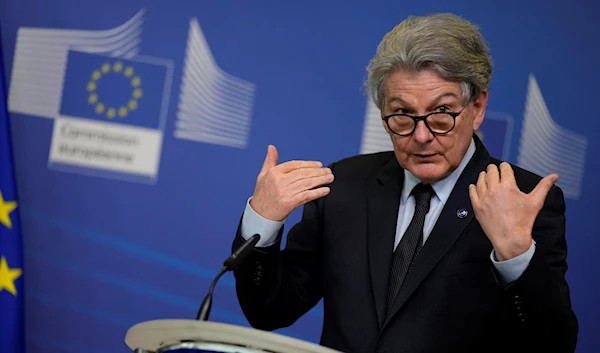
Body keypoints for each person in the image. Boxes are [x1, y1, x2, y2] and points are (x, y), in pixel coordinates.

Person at [231, 13, 578, 353]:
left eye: (441, 113)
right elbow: (269, 310)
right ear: (383, 114)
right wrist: (262, 222)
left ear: (478, 106)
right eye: (402, 115)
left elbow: (552, 344)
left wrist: (515, 256)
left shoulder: (524, 199)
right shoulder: (346, 185)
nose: (422, 136)